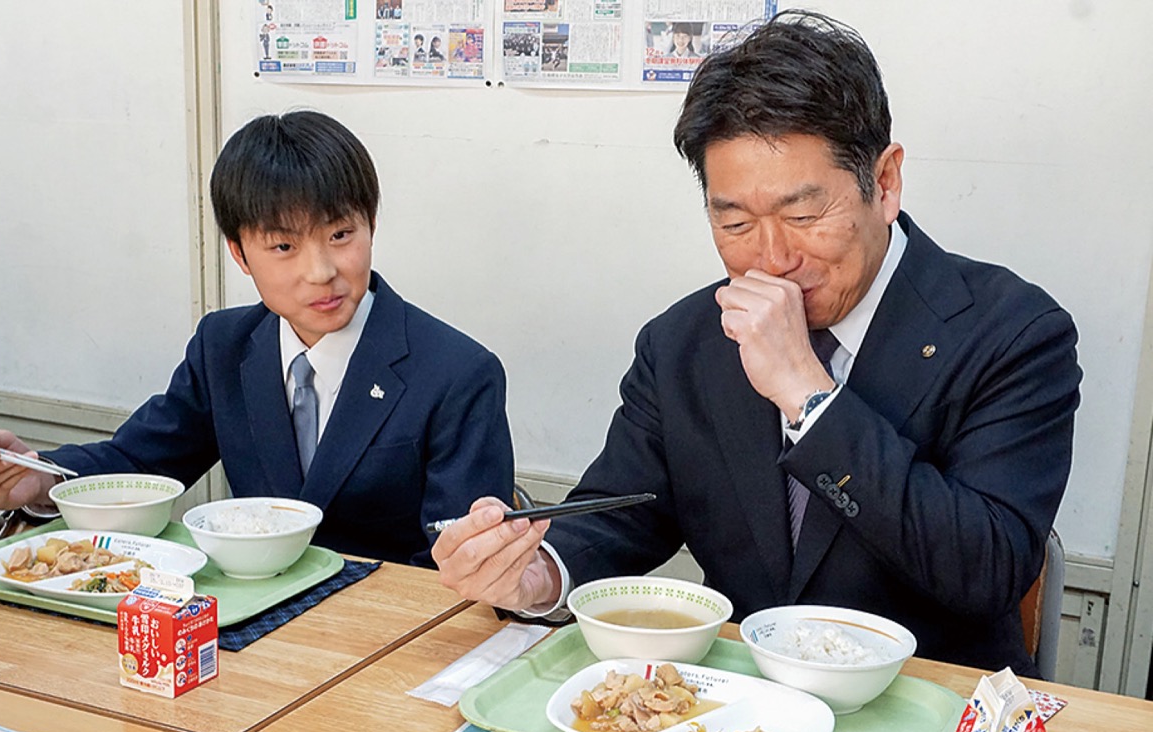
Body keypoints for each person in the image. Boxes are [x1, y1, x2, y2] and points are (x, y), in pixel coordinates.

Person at [431, 11, 1081, 677]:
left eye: (803, 216)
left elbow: (986, 570)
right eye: (735, 221)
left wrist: (808, 395)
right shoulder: (683, 342)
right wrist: (535, 573)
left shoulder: (1013, 332)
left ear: (883, 183)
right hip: (742, 716)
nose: (771, 259)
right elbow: (621, 514)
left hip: (933, 714)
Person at [0, 111, 514, 566]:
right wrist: (38, 480)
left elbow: (462, 561)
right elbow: (138, 463)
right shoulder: (224, 346)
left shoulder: (457, 373)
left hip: (384, 643)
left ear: (370, 225)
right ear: (239, 254)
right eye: (283, 247)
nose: (321, 271)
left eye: (341, 235)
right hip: (245, 625)